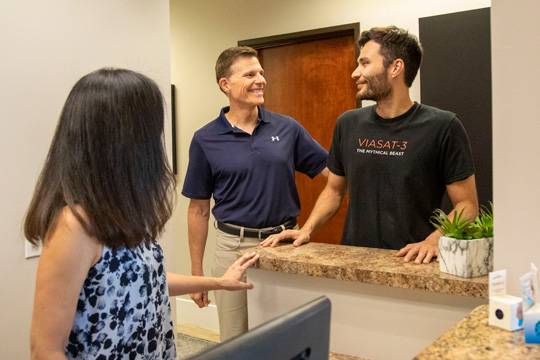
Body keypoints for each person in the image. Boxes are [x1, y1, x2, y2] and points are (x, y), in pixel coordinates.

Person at [26, 68, 259, 359]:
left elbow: (147, 279)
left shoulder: (124, 211)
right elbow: (45, 351)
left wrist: (219, 282)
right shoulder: (75, 226)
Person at [262, 26, 479, 265]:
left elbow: (467, 205)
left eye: (365, 63)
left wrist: (434, 240)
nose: (355, 73)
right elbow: (334, 190)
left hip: (414, 262)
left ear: (395, 67)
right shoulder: (349, 123)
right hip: (355, 259)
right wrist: (308, 229)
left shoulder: (443, 125)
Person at [182, 46, 328, 340]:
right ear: (226, 84)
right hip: (231, 248)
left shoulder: (287, 128)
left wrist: (309, 228)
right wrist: (197, 274)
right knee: (236, 340)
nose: (260, 79)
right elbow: (198, 209)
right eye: (250, 74)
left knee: (288, 336)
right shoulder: (205, 138)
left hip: (284, 245)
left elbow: (333, 178)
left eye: (261, 72)